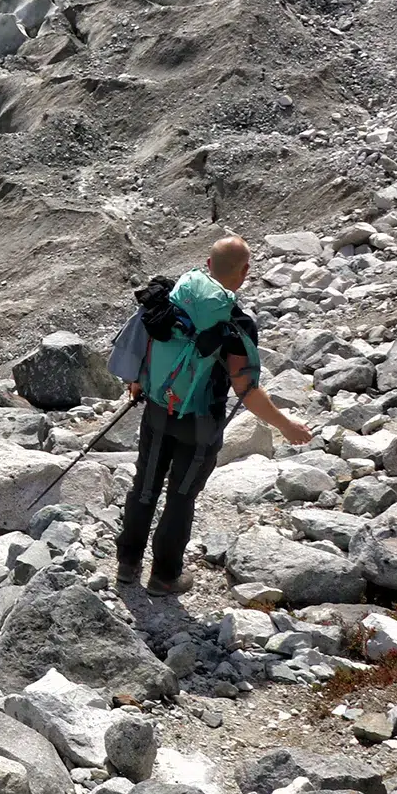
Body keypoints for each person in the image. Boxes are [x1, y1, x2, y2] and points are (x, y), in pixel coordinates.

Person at [118, 237, 311, 594]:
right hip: (200, 426)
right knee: (180, 497)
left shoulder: (171, 297)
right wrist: (286, 424)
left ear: (207, 264)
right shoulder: (234, 323)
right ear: (245, 272)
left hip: (158, 411)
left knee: (144, 487)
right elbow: (247, 391)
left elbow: (145, 345)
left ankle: (127, 565)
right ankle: (164, 577)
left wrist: (138, 384)